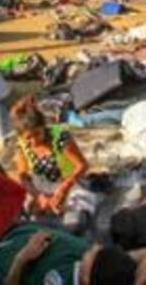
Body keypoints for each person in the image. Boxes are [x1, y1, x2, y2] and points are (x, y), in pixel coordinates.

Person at [10, 96, 91, 230]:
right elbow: (23, 176)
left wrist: (63, 189)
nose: (34, 141)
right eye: (28, 138)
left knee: (75, 223)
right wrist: (38, 196)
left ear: (44, 126)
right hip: (40, 187)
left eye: (37, 133)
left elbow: (82, 166)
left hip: (70, 183)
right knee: (20, 218)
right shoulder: (21, 145)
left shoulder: (60, 137)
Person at [0, 224, 146, 285]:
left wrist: (22, 258)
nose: (95, 247)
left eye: (94, 254)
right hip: (20, 227)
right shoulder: (113, 271)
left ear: (88, 278)